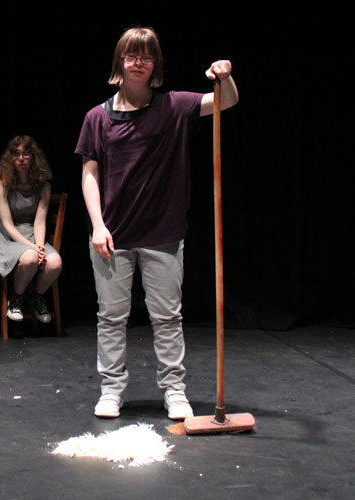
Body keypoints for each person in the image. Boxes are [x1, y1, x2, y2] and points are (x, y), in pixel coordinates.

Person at [75, 27, 238, 419]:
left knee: (167, 317)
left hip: (163, 234)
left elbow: (225, 102)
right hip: (113, 235)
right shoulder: (97, 118)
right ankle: (111, 390)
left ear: (155, 65)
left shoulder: (175, 106)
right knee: (111, 318)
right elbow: (90, 174)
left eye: (147, 56)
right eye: (132, 55)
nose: (139, 62)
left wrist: (225, 75)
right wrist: (97, 224)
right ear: (120, 62)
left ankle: (174, 391)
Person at [0, 135, 62, 323]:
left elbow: (40, 221)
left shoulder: (43, 186)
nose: (21, 158)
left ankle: (35, 297)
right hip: (8, 237)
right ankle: (16, 299)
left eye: (26, 154)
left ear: (34, 157)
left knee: (55, 262)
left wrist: (39, 246)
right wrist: (32, 248)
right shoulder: (1, 184)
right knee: (29, 258)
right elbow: (7, 224)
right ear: (10, 158)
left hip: (33, 234)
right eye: (16, 154)